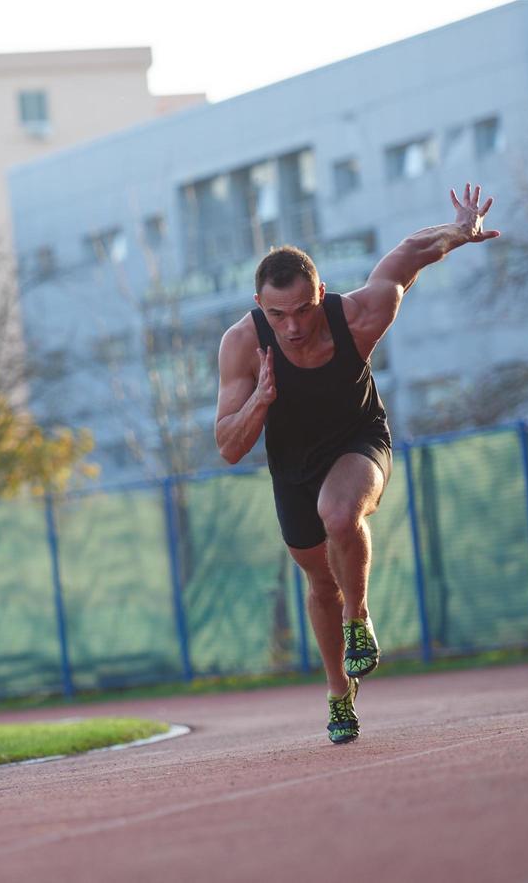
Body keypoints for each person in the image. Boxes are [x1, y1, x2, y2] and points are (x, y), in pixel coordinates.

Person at [214, 184, 499, 744]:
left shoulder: (360, 315)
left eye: (302, 309)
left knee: (340, 515)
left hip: (358, 440)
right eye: (278, 316)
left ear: (320, 291)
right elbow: (227, 445)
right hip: (292, 464)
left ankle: (359, 619)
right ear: (259, 307)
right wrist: (260, 400)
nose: (293, 328)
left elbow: (406, 255)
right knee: (321, 582)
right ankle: (339, 694)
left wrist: (458, 231)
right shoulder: (242, 345)